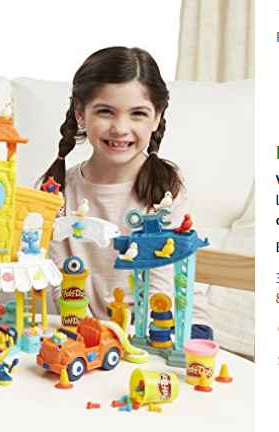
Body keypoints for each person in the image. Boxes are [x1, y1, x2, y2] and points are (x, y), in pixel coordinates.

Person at [42, 47, 211, 338]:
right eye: (105, 111)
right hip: (89, 328)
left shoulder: (166, 186)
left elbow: (160, 285)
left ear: (156, 118)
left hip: (167, 321)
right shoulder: (54, 189)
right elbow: (61, 284)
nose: (120, 128)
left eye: (138, 114)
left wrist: (136, 336)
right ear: (81, 113)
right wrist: (92, 332)